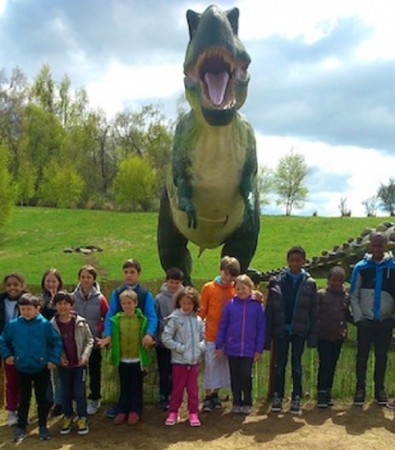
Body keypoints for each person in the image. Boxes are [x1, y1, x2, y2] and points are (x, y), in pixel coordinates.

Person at [97, 258, 158, 417]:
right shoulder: (116, 293)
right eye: (126, 272)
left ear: (138, 274)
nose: (129, 275)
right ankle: (122, 408)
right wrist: (108, 335)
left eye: (132, 272)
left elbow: (152, 316)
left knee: (137, 381)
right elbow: (110, 316)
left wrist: (149, 334)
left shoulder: (146, 295)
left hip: (139, 345)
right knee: (122, 380)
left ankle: (135, 409)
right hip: (122, 344)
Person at [0, 293, 62, 442]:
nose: (26, 312)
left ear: (37, 309)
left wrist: (53, 359)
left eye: (29, 309)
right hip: (21, 368)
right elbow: (3, 340)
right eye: (22, 309)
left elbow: (57, 342)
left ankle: (42, 426)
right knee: (24, 398)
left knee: (42, 400)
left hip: (41, 368)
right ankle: (21, 426)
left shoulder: (45, 325)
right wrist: (7, 355)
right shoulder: (13, 325)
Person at [266, 246, 317, 414]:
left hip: (299, 330)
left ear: (304, 261)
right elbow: (271, 308)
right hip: (282, 329)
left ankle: (296, 397)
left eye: (298, 260)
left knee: (296, 364)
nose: (294, 263)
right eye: (291, 260)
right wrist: (269, 332)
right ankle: (277, 396)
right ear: (288, 262)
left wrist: (312, 334)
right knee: (280, 364)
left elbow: (313, 310)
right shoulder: (279, 281)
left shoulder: (309, 283)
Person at [350, 231, 395, 406]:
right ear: (369, 245)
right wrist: (359, 318)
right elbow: (354, 295)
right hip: (366, 320)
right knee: (361, 356)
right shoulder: (360, 267)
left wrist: (392, 317)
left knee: (381, 356)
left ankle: (379, 390)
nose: (377, 249)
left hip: (385, 321)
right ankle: (360, 389)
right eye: (374, 245)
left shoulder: (393, 267)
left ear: (386, 246)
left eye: (380, 245)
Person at [215, 275, 266, 415]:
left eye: (243, 288)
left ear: (250, 288)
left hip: (249, 349)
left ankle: (248, 401)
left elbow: (261, 328)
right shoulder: (230, 305)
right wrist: (219, 345)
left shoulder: (257, 307)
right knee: (235, 375)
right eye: (238, 288)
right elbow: (223, 326)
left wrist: (259, 349)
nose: (241, 291)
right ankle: (236, 401)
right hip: (233, 348)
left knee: (246, 375)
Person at [199, 256, 240, 412]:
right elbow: (203, 310)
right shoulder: (208, 288)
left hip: (229, 337)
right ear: (221, 271)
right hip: (211, 334)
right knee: (211, 365)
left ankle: (216, 394)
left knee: (223, 365)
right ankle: (208, 395)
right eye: (226, 274)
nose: (228, 278)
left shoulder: (234, 289)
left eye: (231, 276)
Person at [51, 291, 94, 436]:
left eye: (66, 304)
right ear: (55, 306)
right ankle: (68, 417)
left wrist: (85, 355)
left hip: (79, 365)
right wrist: (58, 359)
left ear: (72, 305)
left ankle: (82, 418)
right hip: (63, 366)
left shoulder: (80, 322)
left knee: (79, 392)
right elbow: (50, 345)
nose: (63, 307)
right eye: (59, 304)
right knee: (65, 393)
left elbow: (90, 340)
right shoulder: (52, 325)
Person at [162, 286, 205, 427]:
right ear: (179, 303)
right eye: (184, 303)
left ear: (195, 304)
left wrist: (200, 348)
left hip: (193, 362)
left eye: (190, 303)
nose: (186, 306)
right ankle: (173, 412)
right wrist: (180, 348)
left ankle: (193, 412)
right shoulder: (174, 318)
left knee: (193, 390)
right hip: (179, 362)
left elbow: (204, 338)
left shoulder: (198, 320)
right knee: (177, 389)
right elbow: (166, 338)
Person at [72, 264, 109, 415]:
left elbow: (107, 317)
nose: (85, 280)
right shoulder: (72, 297)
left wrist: (100, 330)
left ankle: (95, 398)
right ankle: (77, 399)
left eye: (88, 277)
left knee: (94, 372)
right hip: (76, 342)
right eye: (83, 277)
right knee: (78, 374)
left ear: (93, 279)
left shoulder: (100, 299)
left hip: (93, 342)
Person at [110, 289, 149, 425]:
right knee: (124, 386)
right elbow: (113, 336)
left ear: (136, 303)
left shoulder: (141, 320)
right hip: (123, 359)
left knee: (136, 387)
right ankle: (123, 410)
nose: (127, 306)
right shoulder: (117, 320)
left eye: (129, 303)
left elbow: (146, 335)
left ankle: (135, 410)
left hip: (137, 359)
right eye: (124, 303)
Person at [316, 266, 352, 408]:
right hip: (323, 336)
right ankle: (321, 392)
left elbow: (347, 315)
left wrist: (360, 322)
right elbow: (315, 314)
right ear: (328, 280)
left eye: (340, 280)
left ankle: (328, 392)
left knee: (332, 364)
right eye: (334, 280)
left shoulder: (346, 296)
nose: (337, 283)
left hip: (338, 336)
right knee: (324, 363)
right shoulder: (321, 295)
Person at [155, 267, 184, 411]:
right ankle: (163, 396)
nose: (173, 285)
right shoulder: (159, 299)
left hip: (179, 342)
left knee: (177, 371)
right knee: (164, 371)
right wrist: (156, 337)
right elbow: (155, 319)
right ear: (166, 282)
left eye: (176, 283)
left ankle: (176, 396)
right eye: (171, 282)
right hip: (163, 342)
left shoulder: (184, 298)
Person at [0, 273, 27, 426]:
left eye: (16, 285)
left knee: (24, 381)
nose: (12, 288)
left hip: (24, 346)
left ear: (22, 286)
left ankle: (23, 410)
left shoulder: (28, 301)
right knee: (11, 381)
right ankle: (11, 411)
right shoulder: (1, 301)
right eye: (9, 285)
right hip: (6, 345)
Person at [40, 268, 64, 417]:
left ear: (59, 283)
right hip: (42, 341)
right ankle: (47, 400)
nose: (50, 284)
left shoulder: (63, 298)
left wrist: (56, 303)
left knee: (58, 374)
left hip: (59, 341)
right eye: (48, 281)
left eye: (53, 281)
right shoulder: (38, 299)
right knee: (44, 373)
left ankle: (59, 401)